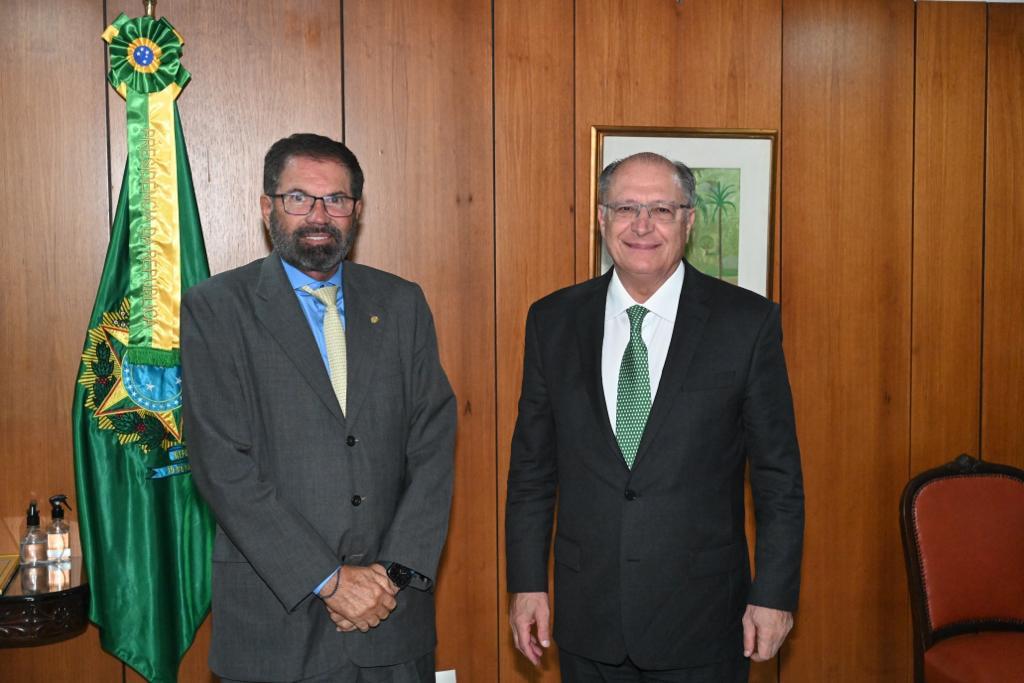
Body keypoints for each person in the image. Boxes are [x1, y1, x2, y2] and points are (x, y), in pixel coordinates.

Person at [505, 152, 804, 681]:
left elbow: (778, 478)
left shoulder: (747, 323)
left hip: (706, 619)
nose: (642, 226)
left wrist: (775, 595)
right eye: (626, 208)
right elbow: (532, 470)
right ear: (602, 219)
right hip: (587, 617)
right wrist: (527, 583)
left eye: (662, 210)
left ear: (688, 221)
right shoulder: (552, 321)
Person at [181, 133, 456, 682]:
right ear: (267, 207)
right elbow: (222, 465)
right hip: (275, 626)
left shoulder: (402, 303)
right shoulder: (216, 308)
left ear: (357, 210)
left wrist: (391, 575)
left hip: (391, 617)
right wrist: (330, 579)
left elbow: (433, 444)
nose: (318, 215)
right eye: (299, 198)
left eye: (336, 200)